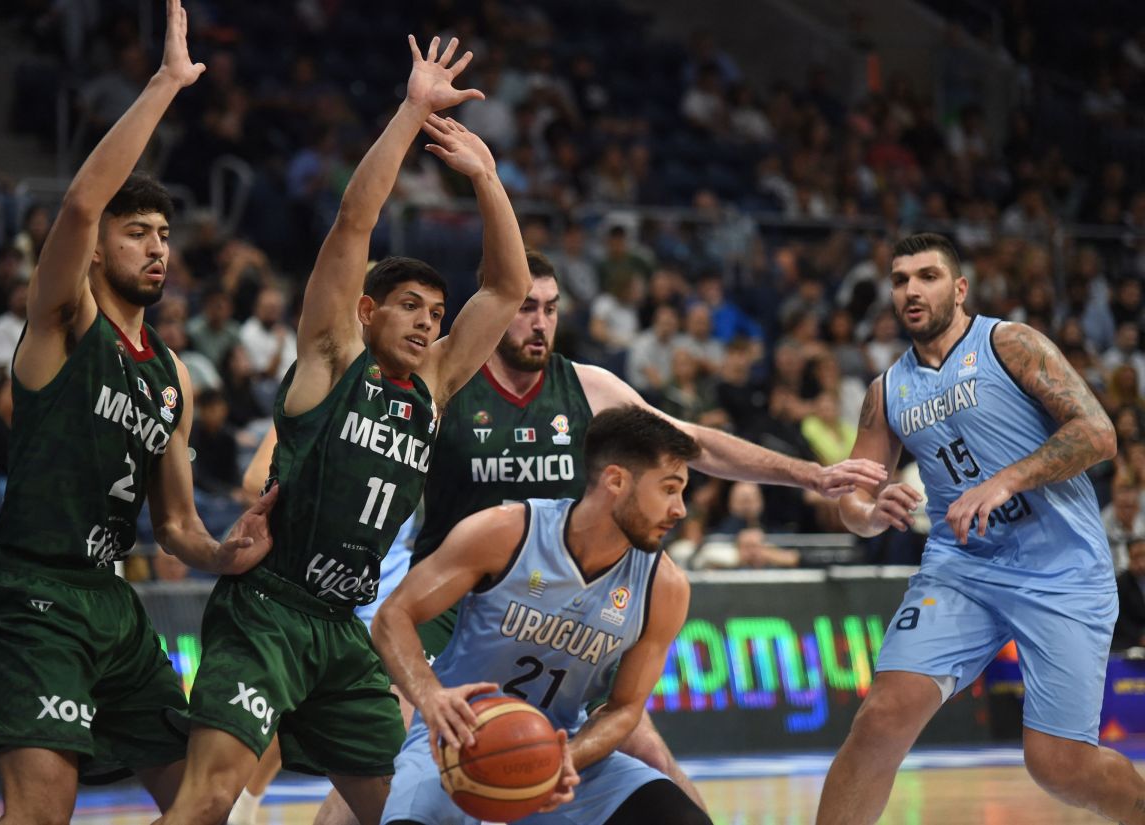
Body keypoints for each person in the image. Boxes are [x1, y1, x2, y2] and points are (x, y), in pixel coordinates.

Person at [293, 248, 886, 823]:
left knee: (647, 749)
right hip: (455, 602)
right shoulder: (445, 381)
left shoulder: (588, 389)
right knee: (387, 749)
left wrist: (812, 474)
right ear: (493, 310)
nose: (539, 322)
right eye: (525, 307)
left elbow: (691, 443)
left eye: (551, 308)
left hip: (563, 602)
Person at [156, 35, 531, 825]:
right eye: (412, 309)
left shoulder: (430, 388)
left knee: (404, 811)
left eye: (436, 314)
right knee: (211, 798)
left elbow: (506, 286)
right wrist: (411, 110)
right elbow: (355, 222)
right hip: (269, 607)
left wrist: (489, 180)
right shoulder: (332, 358)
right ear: (368, 311)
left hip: (345, 626)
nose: (430, 325)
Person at [0, 2, 277, 822]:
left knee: (209, 801)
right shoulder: (65, 321)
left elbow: (172, 522)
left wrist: (225, 553)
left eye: (166, 233)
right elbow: (74, 207)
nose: (158, 247)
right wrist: (168, 84)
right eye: (138, 232)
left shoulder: (171, 373)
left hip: (111, 602)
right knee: (43, 809)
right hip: (32, 590)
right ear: (100, 249)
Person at [816, 233, 1145, 825]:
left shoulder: (1008, 343)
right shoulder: (886, 392)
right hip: (961, 568)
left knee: (1058, 764)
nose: (911, 289)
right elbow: (854, 499)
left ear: (959, 288)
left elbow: (1099, 433)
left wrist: (1007, 480)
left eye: (927, 276)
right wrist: (868, 512)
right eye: (899, 280)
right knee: (881, 718)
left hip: (1060, 568)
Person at [373, 406, 711, 825]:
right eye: (669, 489)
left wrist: (565, 758)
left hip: (561, 750)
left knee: (681, 819)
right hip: (454, 743)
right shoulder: (505, 532)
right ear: (616, 481)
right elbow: (393, 615)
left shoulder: (665, 586)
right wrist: (430, 698)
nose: (680, 509)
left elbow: (624, 708)